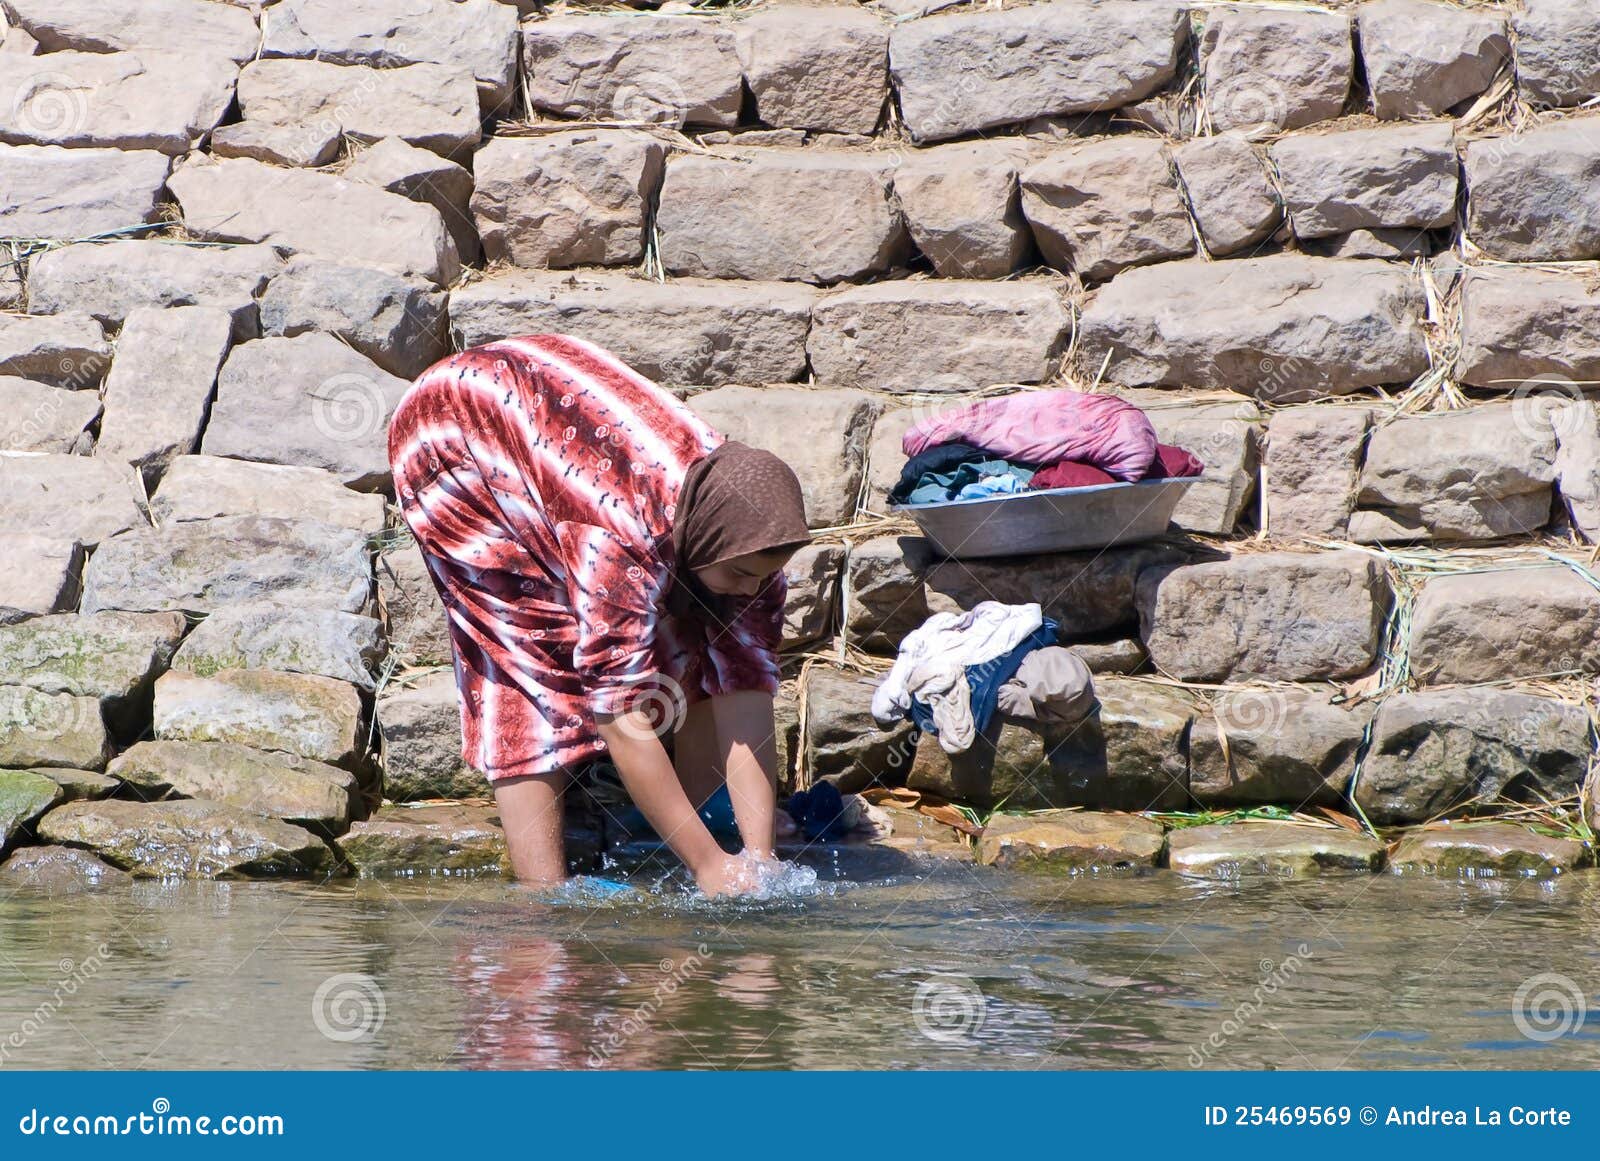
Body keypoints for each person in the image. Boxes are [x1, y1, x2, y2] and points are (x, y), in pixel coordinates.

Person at [387, 334, 811, 898]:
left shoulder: (744, 536)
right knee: (537, 666)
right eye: (740, 575)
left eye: (762, 576)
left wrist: (760, 860)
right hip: (451, 439)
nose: (752, 588)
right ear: (705, 541)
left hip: (545, 418)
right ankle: (544, 901)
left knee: (701, 638)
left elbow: (746, 688)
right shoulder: (618, 542)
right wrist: (711, 869)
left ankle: (661, 832)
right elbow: (620, 716)